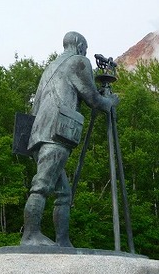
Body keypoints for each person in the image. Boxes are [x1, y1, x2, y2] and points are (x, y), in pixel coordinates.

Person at [22, 31, 118, 247]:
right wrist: (109, 102)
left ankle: (63, 241)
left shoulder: (51, 68)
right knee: (41, 186)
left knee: (63, 193)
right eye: (85, 47)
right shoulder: (78, 62)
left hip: (37, 134)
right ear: (79, 45)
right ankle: (30, 235)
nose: (86, 52)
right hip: (55, 134)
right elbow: (93, 99)